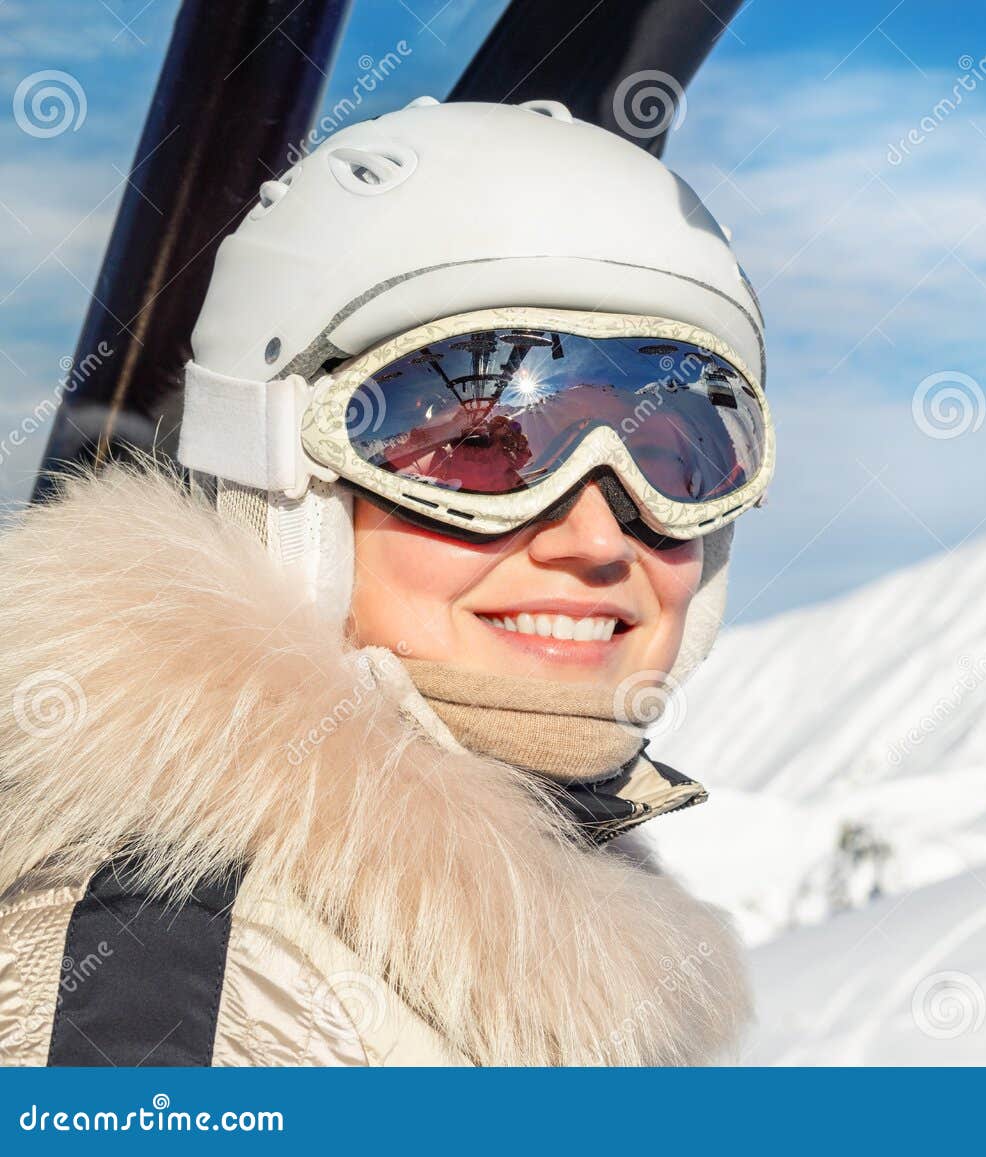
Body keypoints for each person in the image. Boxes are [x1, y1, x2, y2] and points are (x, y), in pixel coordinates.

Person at [0, 98, 773, 1066]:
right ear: (288, 490)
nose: (597, 539)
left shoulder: (540, 913)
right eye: (485, 449)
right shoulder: (169, 985)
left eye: (679, 460)